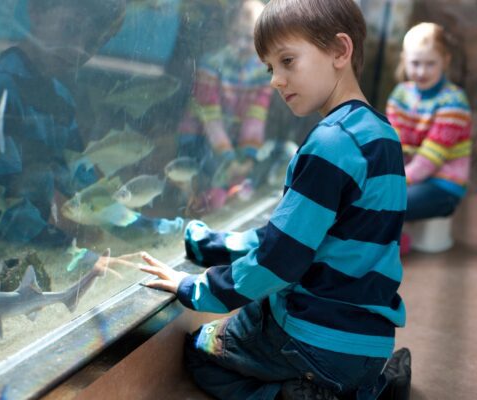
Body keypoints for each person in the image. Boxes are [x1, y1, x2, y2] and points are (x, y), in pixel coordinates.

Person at [138, 0, 410, 399]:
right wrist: (215, 246)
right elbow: (299, 234)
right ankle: (371, 387)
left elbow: (278, 260)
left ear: (340, 50)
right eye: (270, 68)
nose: (276, 81)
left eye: (287, 61)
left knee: (201, 351)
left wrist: (195, 287)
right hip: (370, 345)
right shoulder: (382, 134)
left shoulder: (329, 144)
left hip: (311, 338)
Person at [0, 0, 182, 244]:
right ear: (35, 11)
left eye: (92, 43)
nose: (79, 49)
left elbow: (80, 181)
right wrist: (70, 244)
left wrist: (144, 227)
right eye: (69, 28)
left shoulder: (62, 97)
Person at [176, 0, 273, 213]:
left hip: (230, 138)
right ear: (228, 31)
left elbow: (255, 119)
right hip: (199, 136)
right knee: (203, 172)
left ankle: (222, 195)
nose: (241, 43)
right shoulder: (210, 65)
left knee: (239, 171)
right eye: (236, 35)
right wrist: (230, 159)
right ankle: (203, 200)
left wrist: (247, 156)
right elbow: (211, 120)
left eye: (249, 38)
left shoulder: (264, 74)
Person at [385, 22, 472, 250]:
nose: (422, 71)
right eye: (415, 63)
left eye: (430, 64)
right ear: (405, 60)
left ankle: (391, 246)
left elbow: (431, 158)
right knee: (373, 195)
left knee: (390, 202)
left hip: (443, 185)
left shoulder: (454, 101)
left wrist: (394, 183)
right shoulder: (400, 95)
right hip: (409, 178)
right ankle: (379, 242)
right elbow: (392, 142)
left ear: (445, 60)